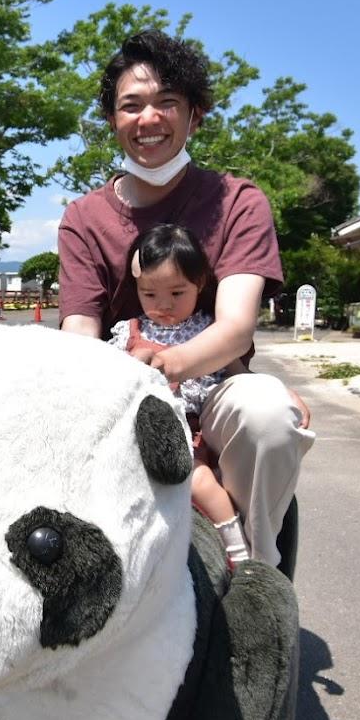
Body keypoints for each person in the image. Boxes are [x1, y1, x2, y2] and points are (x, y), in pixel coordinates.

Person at [58, 29, 314, 568]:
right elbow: (78, 331)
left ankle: (258, 576)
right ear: (112, 120)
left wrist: (164, 365)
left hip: (215, 387)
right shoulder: (84, 218)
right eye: (131, 106)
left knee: (268, 412)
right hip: (116, 393)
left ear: (195, 115)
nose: (148, 118)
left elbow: (236, 327)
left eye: (166, 103)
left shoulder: (238, 201)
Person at [110, 223, 250, 566]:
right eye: (150, 294)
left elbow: (241, 376)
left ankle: (238, 551)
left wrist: (280, 392)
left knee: (199, 481)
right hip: (138, 434)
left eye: (176, 293)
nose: (163, 305)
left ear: (199, 284)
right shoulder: (128, 332)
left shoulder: (209, 333)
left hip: (188, 433)